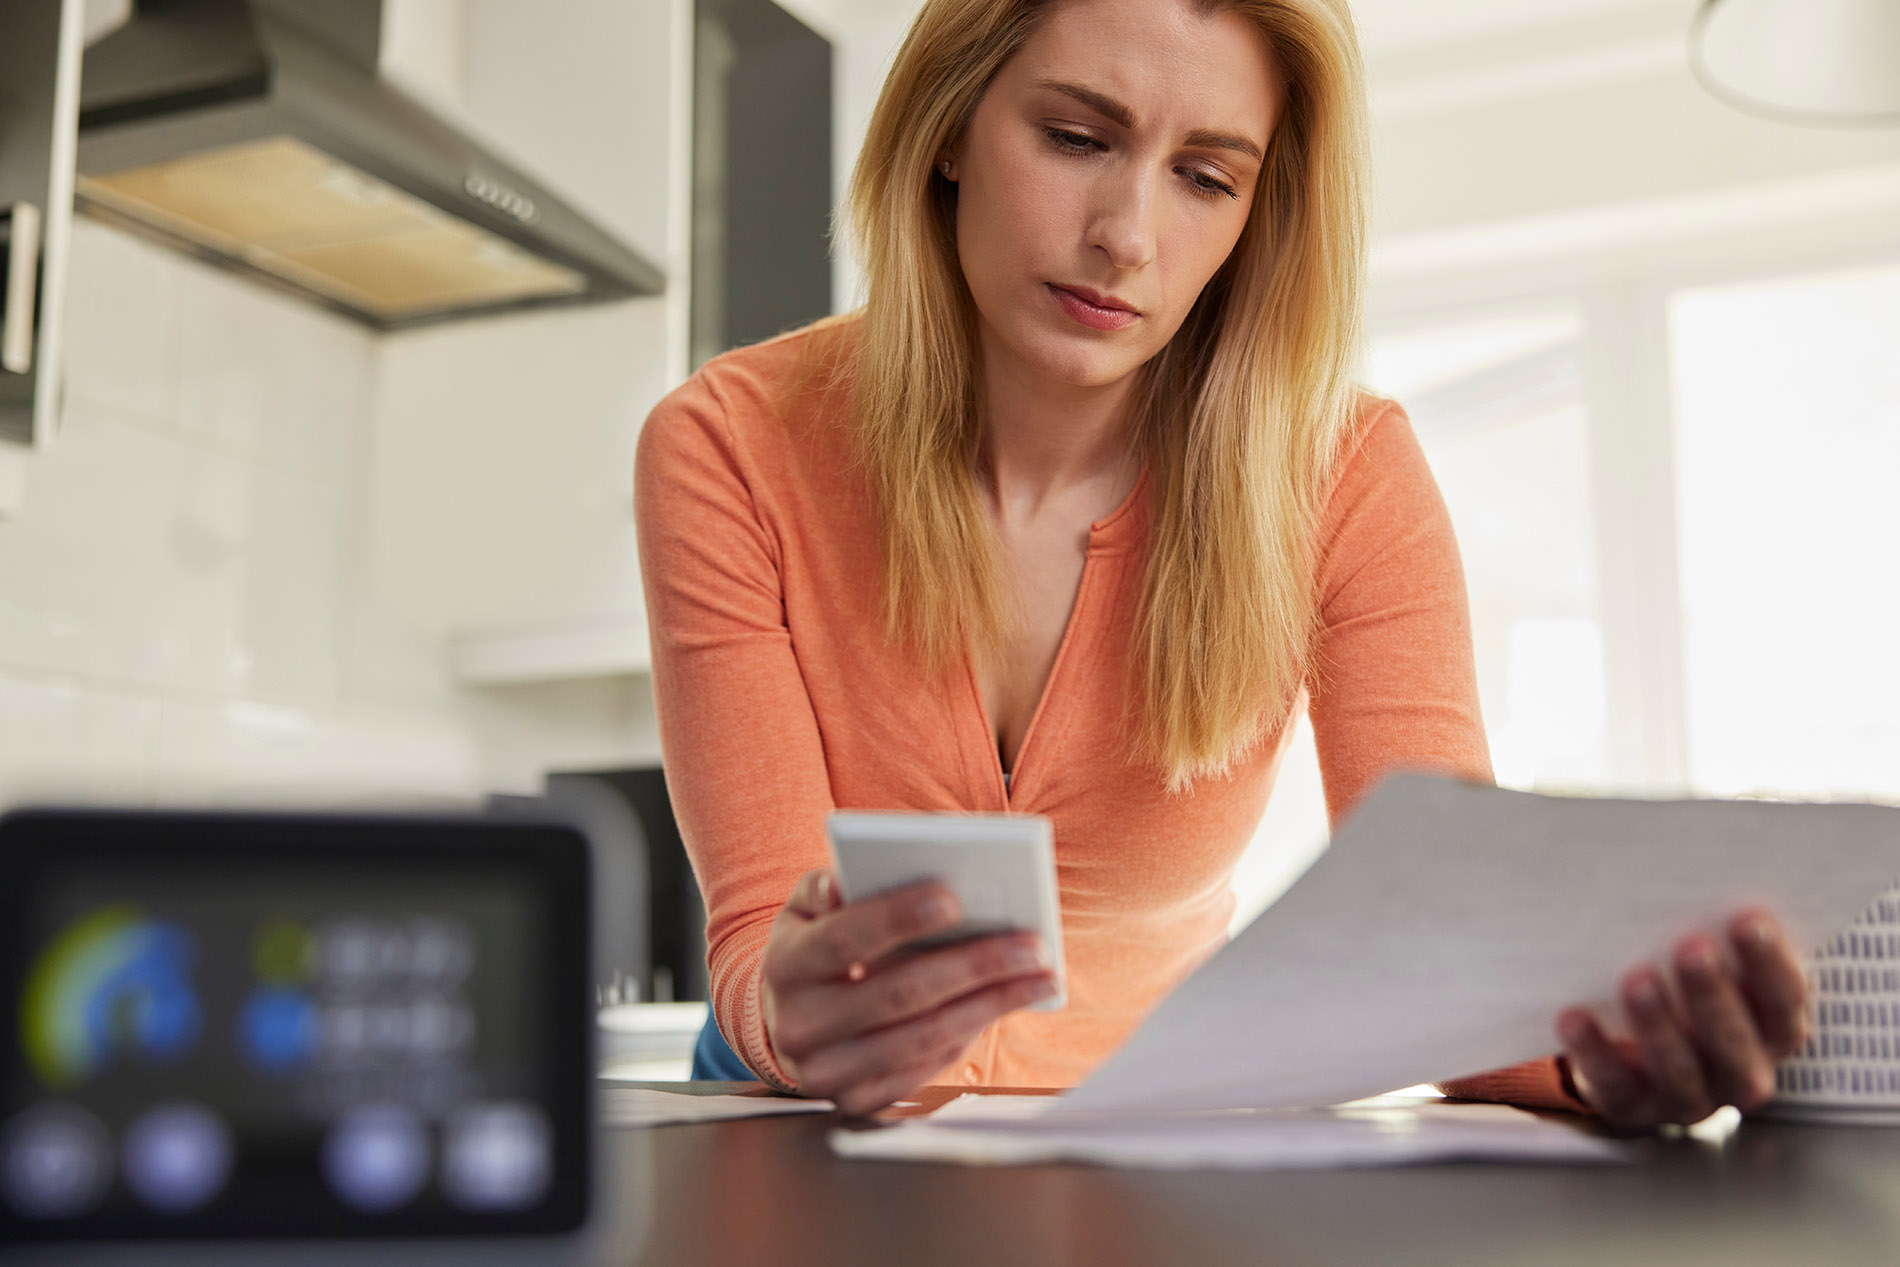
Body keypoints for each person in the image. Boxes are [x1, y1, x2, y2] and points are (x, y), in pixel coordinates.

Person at [634, 0, 1810, 1124]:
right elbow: (754, 939)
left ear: (1258, 212)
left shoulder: (1344, 475)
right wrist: (796, 1016)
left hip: (1141, 1145)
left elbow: (1443, 952)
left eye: (1205, 177)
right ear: (946, 128)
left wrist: (1603, 1054)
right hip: (796, 1121)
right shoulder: (729, 445)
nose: (1126, 236)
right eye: (1074, 137)